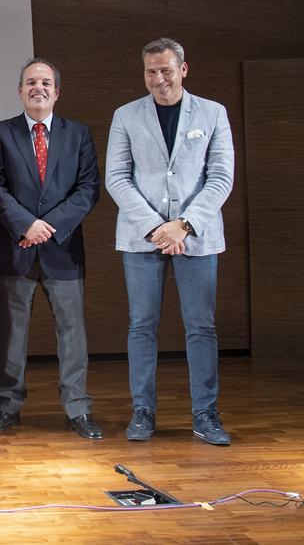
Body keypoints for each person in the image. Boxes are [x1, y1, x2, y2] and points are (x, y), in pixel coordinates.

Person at [105, 38, 235, 446]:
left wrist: (184, 225)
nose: (158, 78)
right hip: (143, 239)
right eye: (150, 71)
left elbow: (220, 177)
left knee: (201, 327)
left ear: (183, 69)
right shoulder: (126, 115)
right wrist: (157, 228)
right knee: (141, 326)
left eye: (165, 70)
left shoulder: (213, 113)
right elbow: (117, 178)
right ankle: (143, 411)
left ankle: (205, 414)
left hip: (196, 237)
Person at [0, 59, 102, 440]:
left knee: (73, 334)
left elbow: (88, 189)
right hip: (15, 247)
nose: (39, 88)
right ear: (20, 90)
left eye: (46, 82)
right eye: (31, 82)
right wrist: (26, 225)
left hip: (63, 250)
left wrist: (48, 229)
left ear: (57, 91)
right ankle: (6, 406)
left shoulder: (78, 133)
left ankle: (78, 409)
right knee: (11, 334)